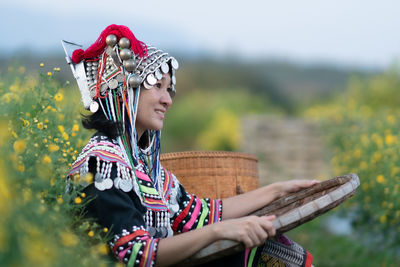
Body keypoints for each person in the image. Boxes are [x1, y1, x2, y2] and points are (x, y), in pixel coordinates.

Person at [64, 24, 318, 267]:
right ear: (124, 91)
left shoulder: (143, 166)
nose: (167, 100)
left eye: (169, 90)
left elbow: (203, 214)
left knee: (261, 244)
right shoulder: (102, 163)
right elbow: (137, 254)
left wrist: (277, 190)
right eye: (157, 87)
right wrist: (217, 232)